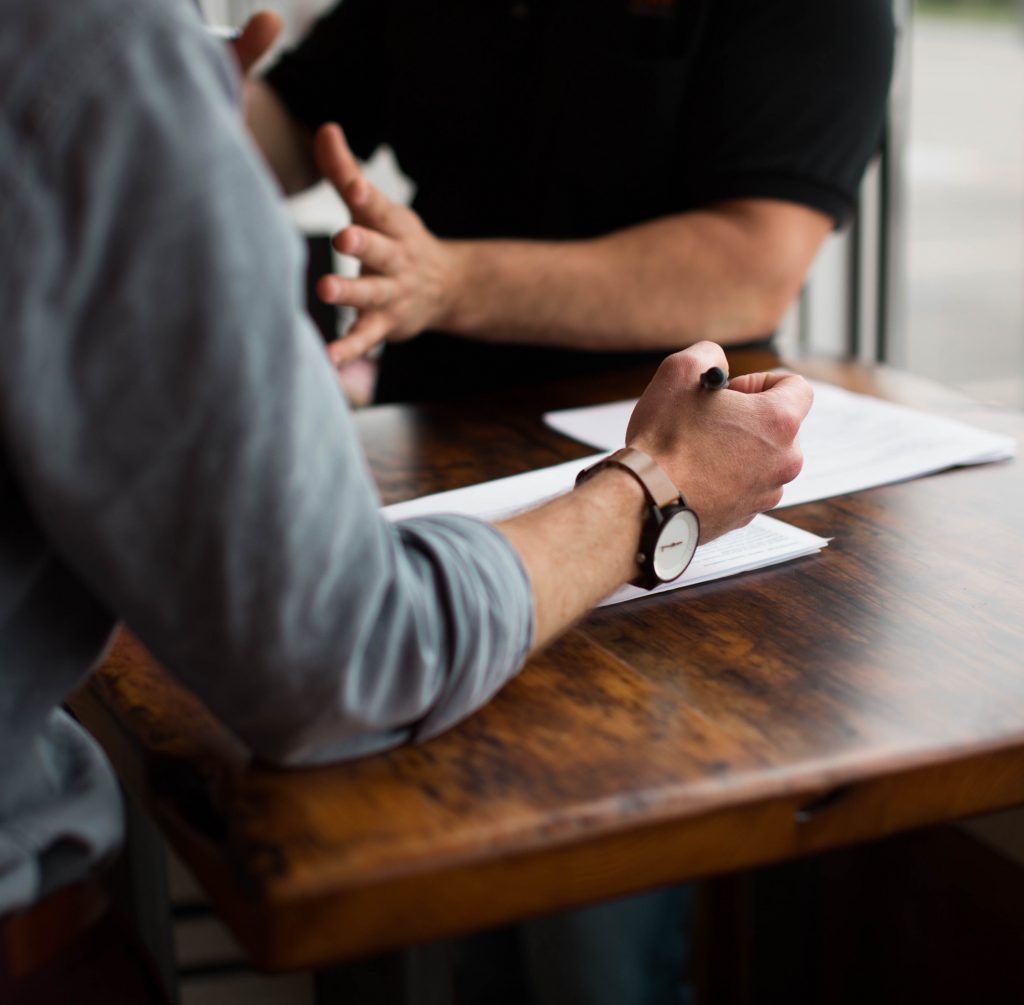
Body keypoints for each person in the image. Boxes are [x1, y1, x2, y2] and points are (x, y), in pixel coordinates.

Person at [0, 0, 812, 1001]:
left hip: (651, 567)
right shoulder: (91, 47)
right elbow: (340, 651)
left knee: (585, 952)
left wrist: (172, 120)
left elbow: (754, 264)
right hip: (449, 507)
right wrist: (656, 492)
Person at [244, 0, 895, 402]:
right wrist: (179, 110)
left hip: (663, 445)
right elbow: (299, 121)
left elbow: (751, 268)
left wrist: (446, 282)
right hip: (430, 421)